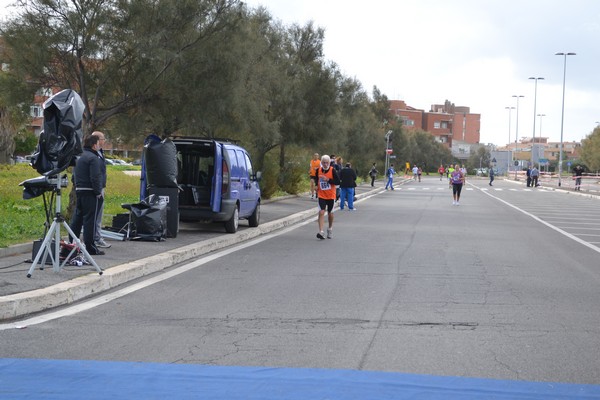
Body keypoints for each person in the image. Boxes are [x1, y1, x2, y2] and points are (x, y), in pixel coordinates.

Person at [69, 134, 105, 255]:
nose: (100, 146)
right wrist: (98, 191)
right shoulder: (93, 158)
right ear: (94, 145)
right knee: (90, 220)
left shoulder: (80, 157)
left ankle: (72, 242)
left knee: (77, 218)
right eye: (99, 144)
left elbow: (74, 176)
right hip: (90, 192)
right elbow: (95, 176)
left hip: (79, 190)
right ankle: (90, 247)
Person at [92, 131, 110, 248]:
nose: (104, 141)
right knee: (95, 215)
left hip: (101, 186)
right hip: (96, 189)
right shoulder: (93, 154)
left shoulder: (100, 152)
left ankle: (96, 236)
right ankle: (96, 238)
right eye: (103, 139)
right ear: (98, 140)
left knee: (99, 215)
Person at [315, 155, 340, 239]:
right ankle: (321, 232)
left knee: (330, 214)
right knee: (321, 212)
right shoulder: (318, 170)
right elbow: (316, 179)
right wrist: (316, 186)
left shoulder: (333, 170)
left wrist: (328, 180)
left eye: (327, 162)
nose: (325, 164)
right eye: (324, 162)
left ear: (329, 163)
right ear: (321, 163)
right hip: (321, 195)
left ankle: (329, 228)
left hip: (331, 195)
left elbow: (337, 182)